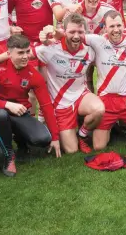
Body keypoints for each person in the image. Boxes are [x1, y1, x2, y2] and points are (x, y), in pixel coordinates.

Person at [42, 10, 126, 152]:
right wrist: (53, 34)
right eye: (111, 26)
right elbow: (74, 35)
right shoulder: (97, 40)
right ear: (105, 28)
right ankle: (110, 126)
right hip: (106, 100)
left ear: (124, 25)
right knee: (99, 146)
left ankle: (122, 125)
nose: (116, 30)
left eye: (119, 25)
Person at [0, 35, 60, 177]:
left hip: (19, 113)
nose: (25, 57)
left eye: (27, 52)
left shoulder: (33, 75)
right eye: (20, 53)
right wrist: (7, 105)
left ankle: (21, 143)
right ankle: (9, 156)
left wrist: (55, 138)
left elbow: (46, 106)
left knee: (43, 139)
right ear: (8, 54)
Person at [37, 15, 105, 153]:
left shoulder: (90, 50)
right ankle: (58, 128)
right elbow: (23, 54)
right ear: (64, 32)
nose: (76, 36)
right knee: (71, 151)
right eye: (72, 32)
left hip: (80, 96)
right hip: (60, 102)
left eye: (80, 32)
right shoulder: (51, 48)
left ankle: (82, 134)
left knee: (99, 109)